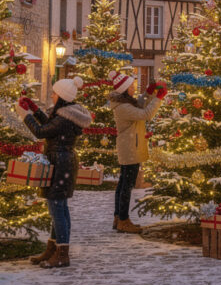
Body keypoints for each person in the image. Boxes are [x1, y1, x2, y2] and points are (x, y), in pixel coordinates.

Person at [19, 77, 91, 269]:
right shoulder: (66, 115)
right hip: (63, 162)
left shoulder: (64, 118)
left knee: (57, 209)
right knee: (60, 208)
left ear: (61, 96)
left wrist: (25, 115)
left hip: (61, 164)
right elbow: (50, 126)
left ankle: (62, 254)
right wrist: (35, 110)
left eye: (54, 93)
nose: (51, 95)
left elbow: (41, 132)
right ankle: (53, 250)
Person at [108, 70, 164, 234]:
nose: (134, 88)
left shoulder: (125, 103)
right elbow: (146, 114)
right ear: (125, 90)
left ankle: (119, 217)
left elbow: (140, 104)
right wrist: (159, 97)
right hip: (130, 147)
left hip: (130, 146)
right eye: (131, 86)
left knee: (123, 183)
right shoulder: (124, 107)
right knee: (127, 185)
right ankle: (123, 220)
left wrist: (149, 93)